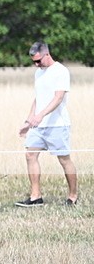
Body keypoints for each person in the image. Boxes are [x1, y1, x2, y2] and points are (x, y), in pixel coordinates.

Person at [16, 41, 77, 206]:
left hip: (57, 124)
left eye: (38, 61)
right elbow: (38, 98)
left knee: (64, 159)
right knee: (30, 155)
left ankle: (73, 196)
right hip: (38, 125)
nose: (36, 65)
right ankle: (36, 197)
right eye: (33, 62)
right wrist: (29, 121)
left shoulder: (61, 71)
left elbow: (58, 98)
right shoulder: (38, 73)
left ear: (47, 54)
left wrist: (41, 115)